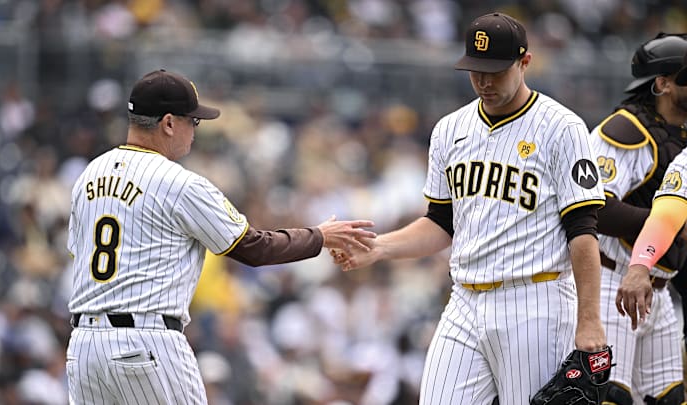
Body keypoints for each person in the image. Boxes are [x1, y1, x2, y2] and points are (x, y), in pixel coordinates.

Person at [332, 12, 606, 405]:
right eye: (476, 69)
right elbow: (442, 223)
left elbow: (583, 231)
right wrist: (379, 248)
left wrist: (590, 319)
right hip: (464, 300)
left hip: (534, 299)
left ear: (524, 62)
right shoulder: (449, 129)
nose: (484, 81)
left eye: (495, 70)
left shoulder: (562, 128)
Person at [65, 69, 377, 404]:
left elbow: (79, 253)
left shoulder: (88, 175)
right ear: (168, 123)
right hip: (146, 343)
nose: (195, 131)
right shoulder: (179, 183)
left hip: (84, 347)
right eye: (192, 121)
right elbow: (254, 249)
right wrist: (319, 236)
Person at [589, 33, 687, 404]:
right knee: (609, 397)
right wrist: (667, 225)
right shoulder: (625, 131)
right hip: (611, 281)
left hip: (657, 289)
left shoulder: (681, 134)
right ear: (662, 83)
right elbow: (592, 207)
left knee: (670, 398)